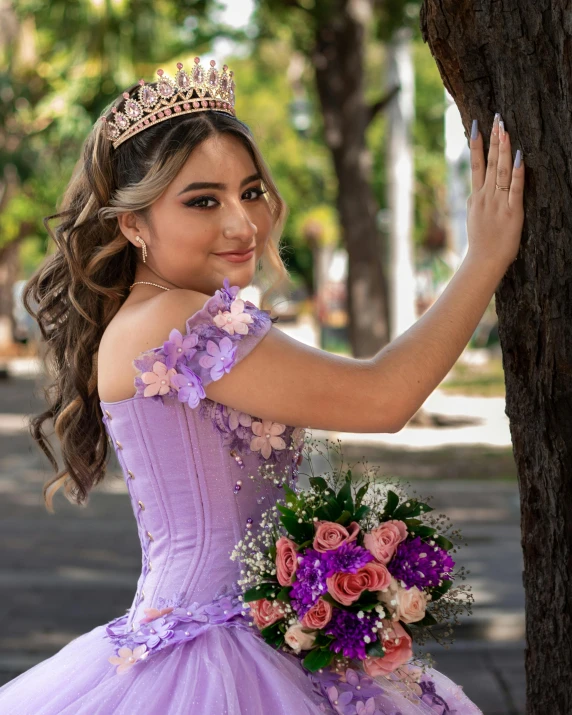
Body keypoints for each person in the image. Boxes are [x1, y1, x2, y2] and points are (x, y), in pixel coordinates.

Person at [0, 57, 523, 714]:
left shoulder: (146, 315)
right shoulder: (175, 318)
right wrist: (484, 260)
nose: (242, 224)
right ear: (132, 223)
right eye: (203, 200)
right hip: (215, 658)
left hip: (246, 640)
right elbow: (382, 397)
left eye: (250, 192)